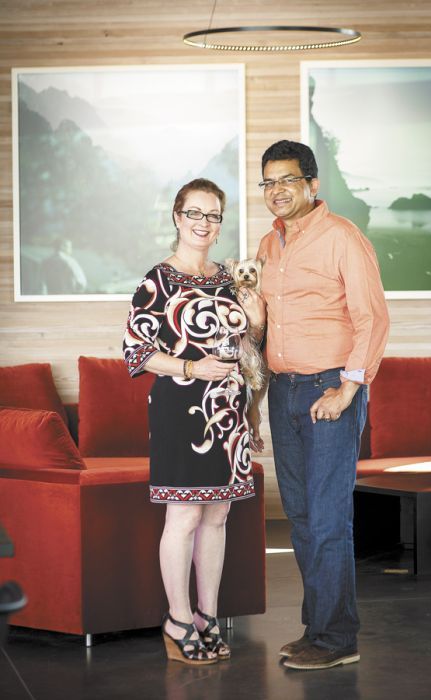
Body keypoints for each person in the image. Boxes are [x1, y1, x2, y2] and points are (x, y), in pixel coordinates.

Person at [248, 140, 390, 671]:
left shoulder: (342, 238)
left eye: (287, 180)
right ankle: (318, 630)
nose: (276, 191)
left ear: (312, 185)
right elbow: (263, 330)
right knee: (302, 518)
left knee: (329, 518)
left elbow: (371, 318)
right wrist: (254, 400)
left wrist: (347, 391)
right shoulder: (268, 245)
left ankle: (337, 640)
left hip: (330, 389)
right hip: (284, 391)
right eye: (268, 182)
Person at [123, 178, 265, 666]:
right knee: (183, 515)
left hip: (229, 412)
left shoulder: (228, 278)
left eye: (214, 215)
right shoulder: (157, 279)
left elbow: (250, 340)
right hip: (180, 411)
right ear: (178, 217)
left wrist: (257, 317)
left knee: (218, 514)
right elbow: (136, 352)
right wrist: (192, 367)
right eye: (195, 213)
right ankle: (177, 619)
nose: (204, 224)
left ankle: (207, 615)